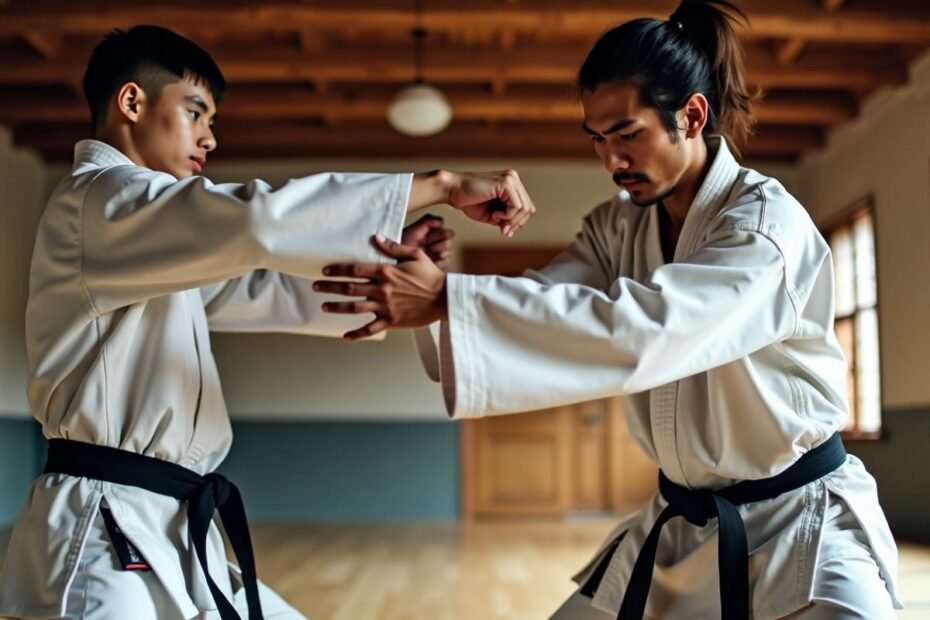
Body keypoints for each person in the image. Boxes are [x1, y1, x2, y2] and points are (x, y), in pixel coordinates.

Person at [313, 1, 902, 618]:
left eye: (628, 135)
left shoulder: (764, 228)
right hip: (679, 526)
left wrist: (446, 300)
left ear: (692, 116)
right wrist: (438, 293)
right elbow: (548, 304)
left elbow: (646, 330)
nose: (611, 161)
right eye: (597, 139)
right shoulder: (617, 227)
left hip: (799, 526)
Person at [0, 24, 537, 620]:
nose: (210, 135)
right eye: (196, 111)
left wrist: (388, 268)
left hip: (163, 519)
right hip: (103, 530)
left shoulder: (149, 232)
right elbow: (255, 222)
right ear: (132, 102)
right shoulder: (96, 200)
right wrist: (439, 184)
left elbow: (259, 288)